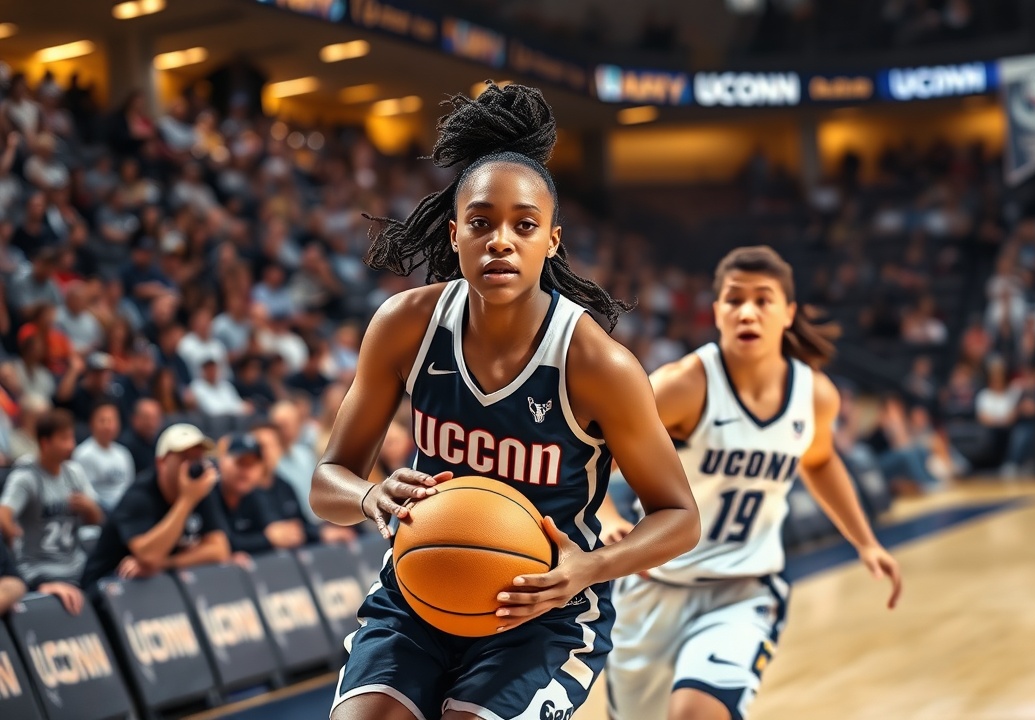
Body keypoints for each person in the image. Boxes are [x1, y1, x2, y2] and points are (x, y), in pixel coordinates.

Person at [311, 82, 699, 720]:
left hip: (545, 611)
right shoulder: (404, 326)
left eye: (524, 225)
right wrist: (369, 496)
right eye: (480, 223)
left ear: (552, 240)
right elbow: (327, 480)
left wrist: (590, 568)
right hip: (421, 592)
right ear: (454, 233)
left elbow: (680, 517)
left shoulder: (596, 364)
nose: (500, 241)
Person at [604, 246, 903, 720]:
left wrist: (865, 542)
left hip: (745, 589)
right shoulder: (682, 385)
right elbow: (592, 455)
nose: (747, 312)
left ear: (788, 313)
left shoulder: (814, 396)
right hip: (653, 588)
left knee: (695, 714)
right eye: (734, 299)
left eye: (763, 300)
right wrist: (607, 517)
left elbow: (820, 461)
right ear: (716, 311)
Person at [80, 423, 229, 589]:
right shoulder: (139, 496)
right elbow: (149, 556)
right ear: (161, 463)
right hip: (106, 584)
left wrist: (165, 563)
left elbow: (219, 550)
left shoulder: (199, 489)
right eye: (185, 458)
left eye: (198, 459)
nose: (193, 467)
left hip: (150, 584)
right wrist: (186, 501)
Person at [0, 409, 103, 615]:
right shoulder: (26, 477)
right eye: (64, 439)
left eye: (71, 438)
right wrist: (11, 531)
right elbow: (3, 513)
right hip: (39, 570)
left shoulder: (74, 472)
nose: (71, 445)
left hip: (76, 566)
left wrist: (89, 507)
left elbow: (97, 520)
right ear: (45, 443)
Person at [213, 433, 305, 563]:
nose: (245, 471)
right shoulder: (210, 493)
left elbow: (278, 531)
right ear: (222, 462)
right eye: (240, 462)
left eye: (252, 464)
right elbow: (224, 544)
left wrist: (275, 536)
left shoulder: (254, 493)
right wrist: (267, 539)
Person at [71, 401, 135, 512]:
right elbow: (85, 493)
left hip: (124, 511)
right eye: (102, 421)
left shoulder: (123, 453)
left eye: (111, 421)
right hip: (99, 512)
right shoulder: (83, 454)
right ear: (91, 423)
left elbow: (130, 486)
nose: (107, 426)